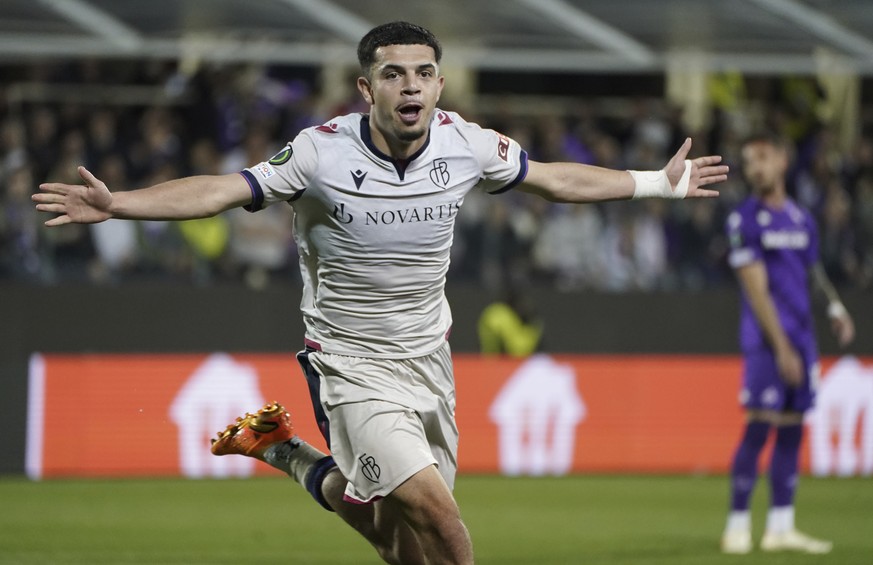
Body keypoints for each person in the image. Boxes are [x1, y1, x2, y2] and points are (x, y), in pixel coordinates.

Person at [35, 21, 727, 565]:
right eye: (392, 74)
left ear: (439, 84)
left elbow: (554, 179)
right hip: (348, 363)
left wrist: (655, 183)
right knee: (435, 512)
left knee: (403, 546)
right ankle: (301, 449)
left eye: (423, 73)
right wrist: (120, 202)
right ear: (366, 89)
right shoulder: (319, 153)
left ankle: (286, 451)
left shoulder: (467, 144)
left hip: (428, 361)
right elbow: (224, 189)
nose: (410, 87)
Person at [720, 131, 855, 555]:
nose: (755, 167)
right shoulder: (743, 220)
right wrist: (780, 347)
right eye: (749, 161)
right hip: (766, 341)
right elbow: (756, 290)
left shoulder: (801, 219)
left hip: (802, 338)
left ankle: (781, 526)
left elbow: (812, 272)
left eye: (761, 157)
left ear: (782, 160)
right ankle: (737, 525)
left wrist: (834, 307)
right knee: (759, 426)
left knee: (794, 430)